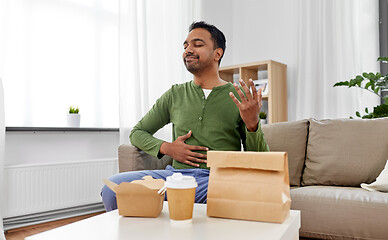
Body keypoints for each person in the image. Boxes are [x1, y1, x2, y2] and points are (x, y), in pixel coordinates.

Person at [101, 21, 269, 211]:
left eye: (197, 44)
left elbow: (262, 160)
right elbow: (137, 132)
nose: (188, 50)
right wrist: (167, 148)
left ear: (217, 54)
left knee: (247, 192)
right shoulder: (175, 94)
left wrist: (252, 123)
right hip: (176, 179)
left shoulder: (239, 97)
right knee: (112, 188)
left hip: (217, 180)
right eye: (185, 46)